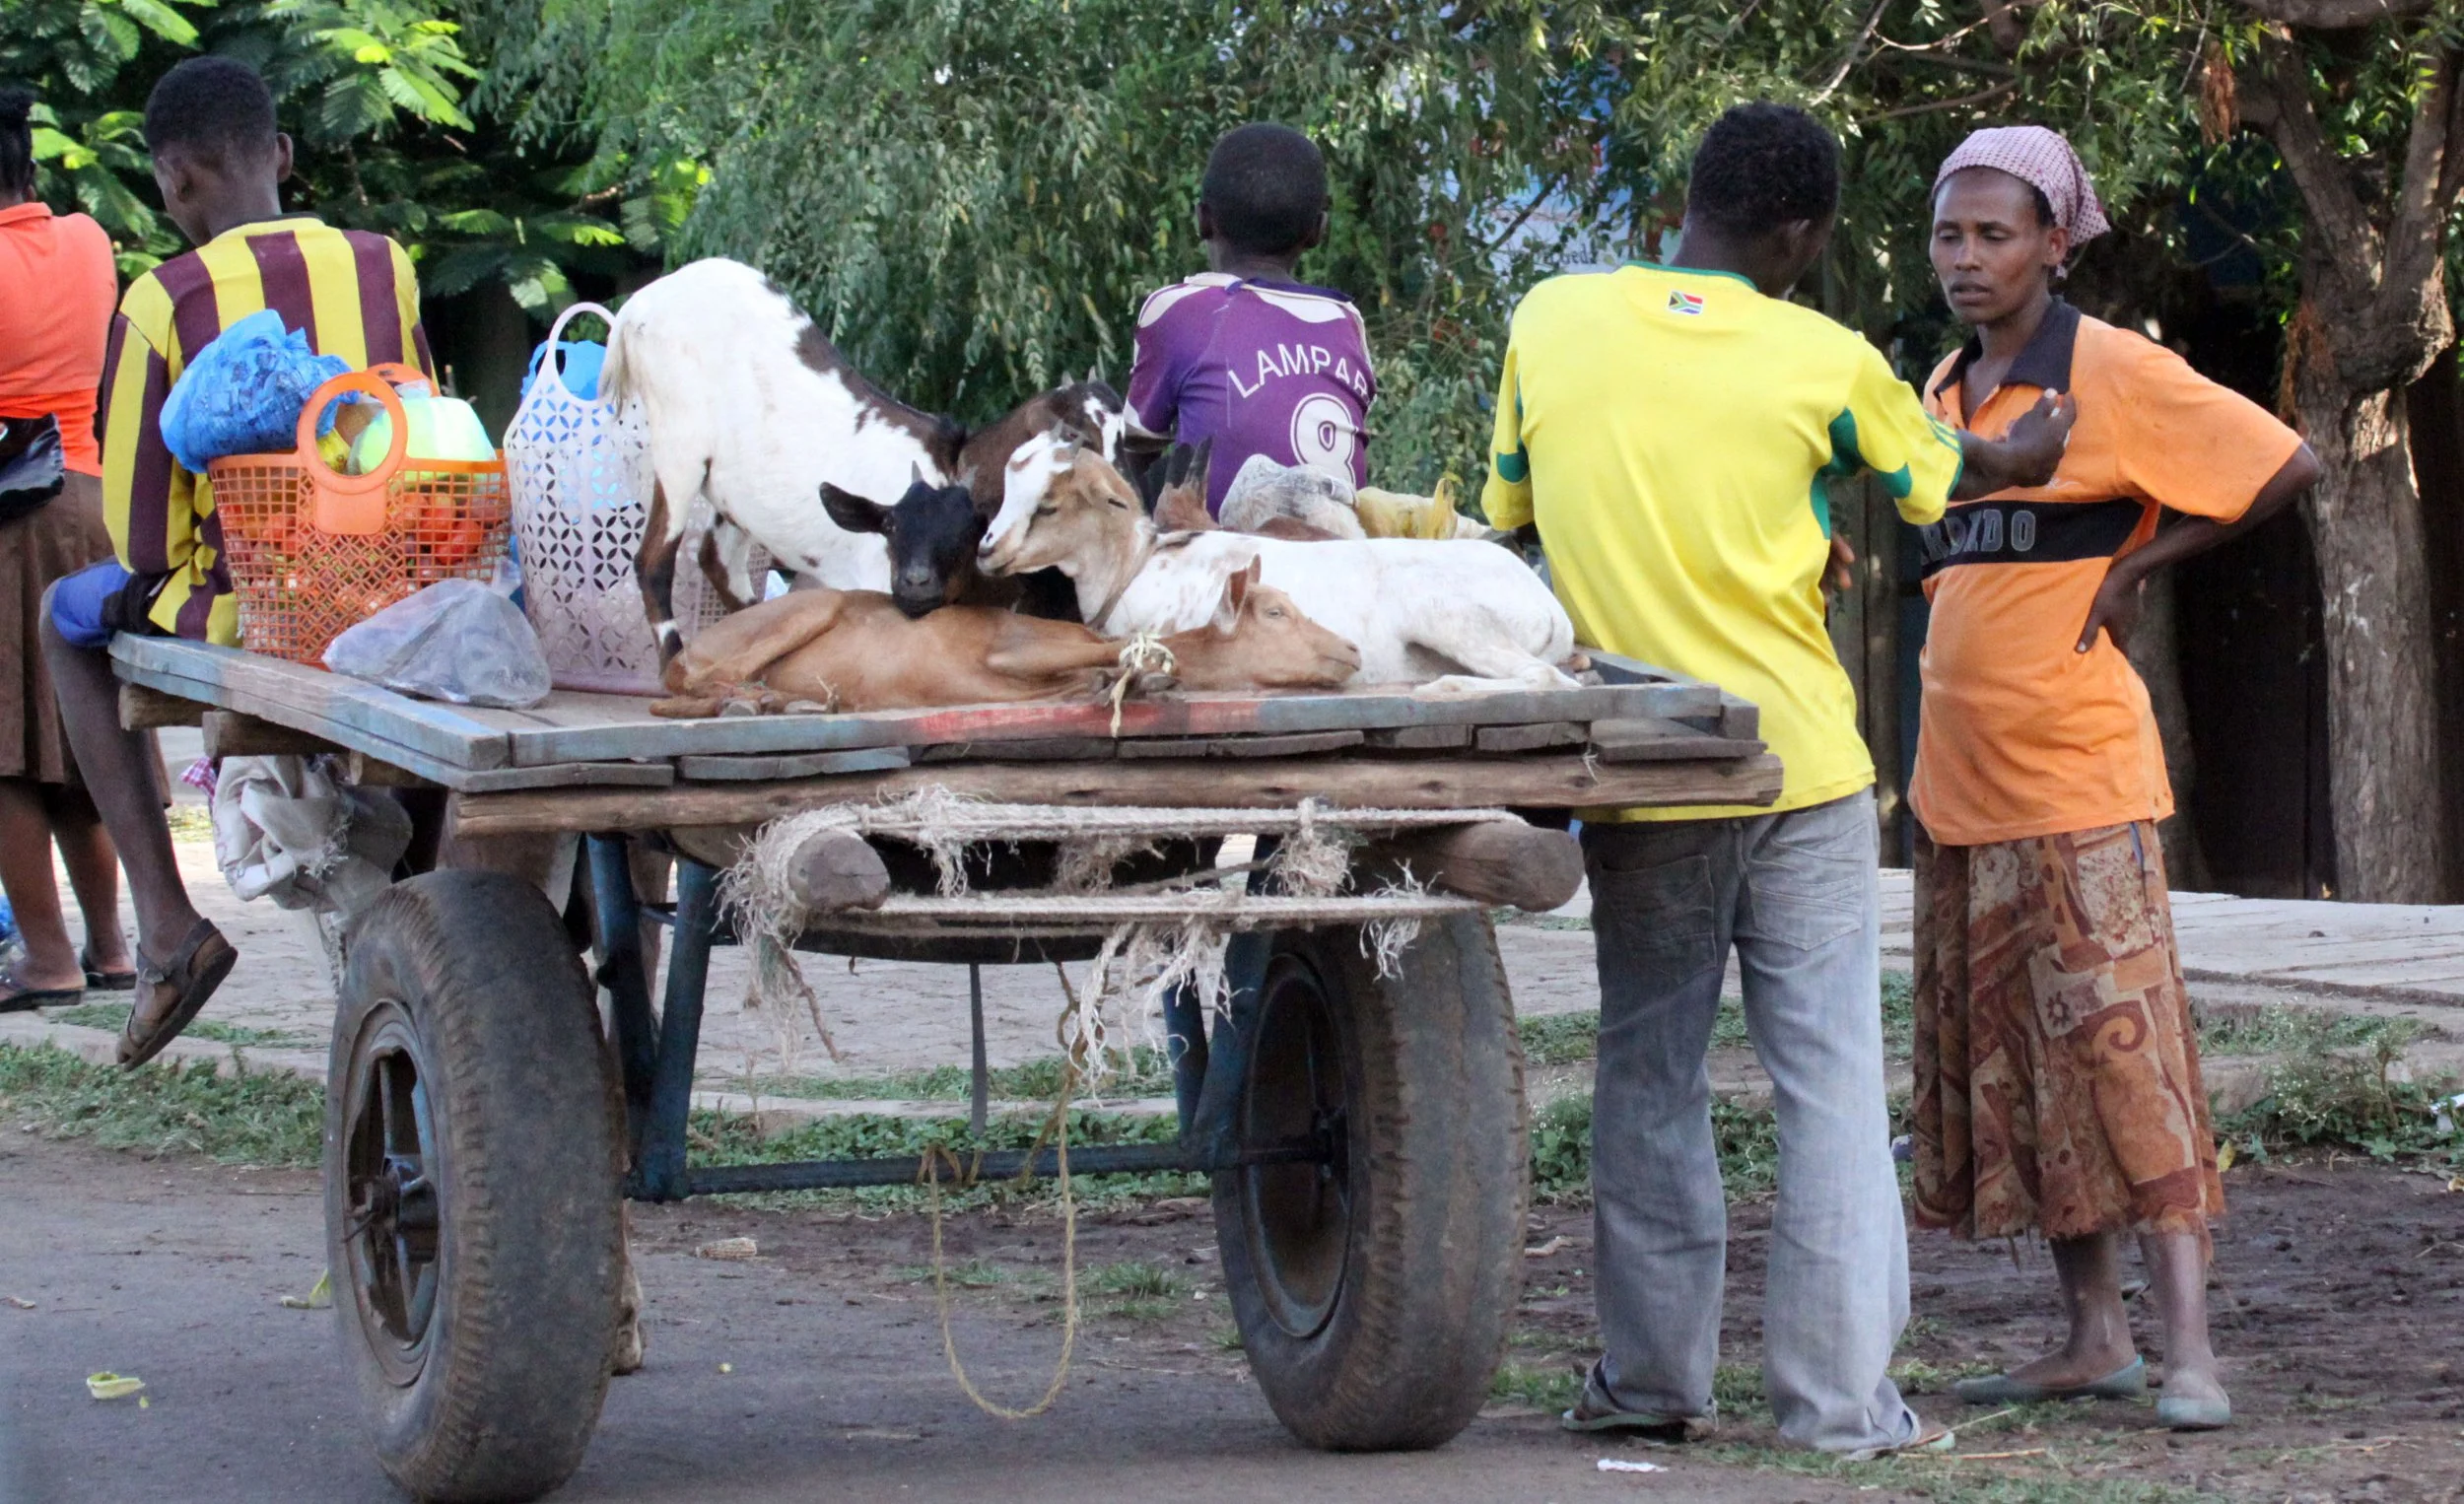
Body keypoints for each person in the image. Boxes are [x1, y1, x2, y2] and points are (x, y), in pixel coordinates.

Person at [1482, 102, 2072, 1457]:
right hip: (1800, 765)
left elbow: (1512, 515)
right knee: (1828, 1085)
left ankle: (1648, 1381)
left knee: (1649, 1073)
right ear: (1801, 233)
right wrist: (2017, 453)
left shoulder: (1550, 322)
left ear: (1690, 197)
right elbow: (1946, 475)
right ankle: (1837, 1404)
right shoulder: (1831, 356)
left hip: (1645, 768)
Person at [1909, 125, 2319, 1433]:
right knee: (2022, 1070)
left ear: (2055, 242)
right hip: (1959, 787)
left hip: (2080, 777)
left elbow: (2282, 461)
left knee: (2128, 1064)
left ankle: (2189, 1348)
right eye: (1948, 234)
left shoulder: (2115, 369)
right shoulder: (1939, 393)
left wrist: (2140, 566)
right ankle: (2094, 1336)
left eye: (1995, 234)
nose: (1967, 259)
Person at [40, 56, 436, 1066]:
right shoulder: (384, 260)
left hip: (249, 607)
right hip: (400, 583)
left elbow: (136, 531)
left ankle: (167, 927)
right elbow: (421, 424)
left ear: (173, 183)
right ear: (285, 156)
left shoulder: (163, 297)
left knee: (62, 617)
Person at [0, 87, 137, 1011]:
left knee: (4, 751)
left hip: (9, 519)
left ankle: (44, 960)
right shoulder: (91, 243)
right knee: (75, 737)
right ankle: (113, 945)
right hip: (92, 503)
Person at [1124, 122, 1374, 514]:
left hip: (1227, 560)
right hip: (1340, 553)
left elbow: (1136, 450)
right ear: (1317, 231)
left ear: (1202, 219)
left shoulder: (1178, 309)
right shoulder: (1346, 321)